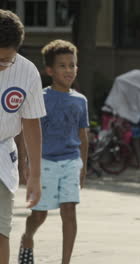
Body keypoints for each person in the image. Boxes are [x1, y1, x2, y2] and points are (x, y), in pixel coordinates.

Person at [18, 39, 89, 264]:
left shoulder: (80, 100)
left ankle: (65, 261)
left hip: (70, 162)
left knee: (69, 211)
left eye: (72, 65)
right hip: (44, 162)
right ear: (49, 70)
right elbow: (25, 131)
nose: (69, 70)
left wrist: (84, 166)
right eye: (62, 65)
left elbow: (83, 136)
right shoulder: (40, 97)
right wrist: (25, 162)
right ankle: (27, 237)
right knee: (40, 214)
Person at [0, 9, 46, 264]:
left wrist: (35, 175)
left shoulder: (27, 73)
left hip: (2, 156)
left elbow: (31, 123)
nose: (1, 65)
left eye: (6, 60)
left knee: (0, 230)